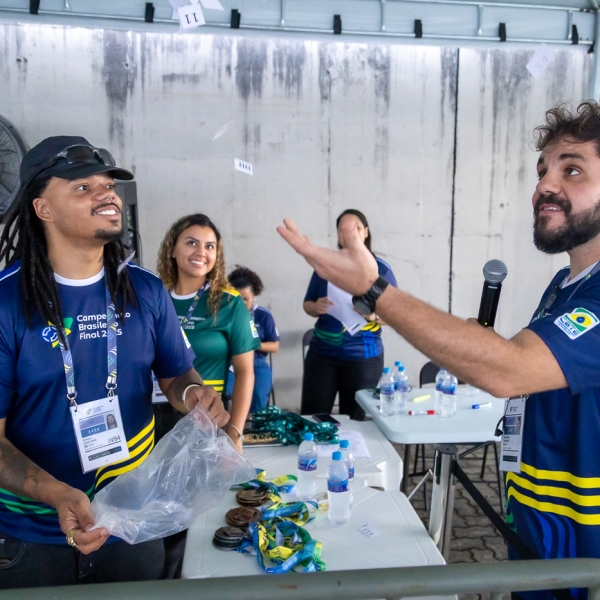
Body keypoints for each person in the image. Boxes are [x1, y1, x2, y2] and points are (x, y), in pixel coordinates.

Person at [278, 101, 600, 599]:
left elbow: (511, 370)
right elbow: (526, 365)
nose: (544, 186)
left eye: (571, 170)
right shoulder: (565, 284)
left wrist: (374, 291)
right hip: (543, 540)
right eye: (542, 171)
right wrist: (479, 347)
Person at [0, 136, 229, 589]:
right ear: (43, 209)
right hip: (31, 536)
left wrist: (192, 394)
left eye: (108, 184)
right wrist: (54, 493)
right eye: (83, 187)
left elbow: (175, 374)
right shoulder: (7, 301)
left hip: (132, 523)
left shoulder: (145, 290)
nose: (107, 194)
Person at [156, 215, 260, 453]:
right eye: (191, 243)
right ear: (172, 249)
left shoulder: (230, 303)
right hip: (150, 417)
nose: (201, 252)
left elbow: (245, 372)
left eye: (209, 246)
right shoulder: (154, 297)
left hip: (206, 418)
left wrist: (235, 432)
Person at [301, 209, 397, 421]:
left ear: (366, 232)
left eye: (356, 228)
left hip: (363, 358)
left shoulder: (381, 270)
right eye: (343, 230)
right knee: (313, 419)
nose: (350, 234)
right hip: (322, 355)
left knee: (355, 421)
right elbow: (307, 305)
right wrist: (316, 307)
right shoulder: (325, 266)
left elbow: (396, 316)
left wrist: (372, 317)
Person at [227, 266, 279, 411]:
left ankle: (256, 424)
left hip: (257, 362)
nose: (242, 303)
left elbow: (275, 346)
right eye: (237, 298)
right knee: (229, 393)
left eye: (246, 299)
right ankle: (234, 423)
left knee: (259, 394)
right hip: (231, 363)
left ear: (253, 295)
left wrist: (251, 344)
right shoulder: (225, 315)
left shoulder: (263, 315)